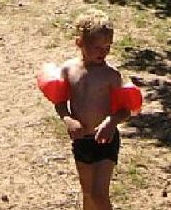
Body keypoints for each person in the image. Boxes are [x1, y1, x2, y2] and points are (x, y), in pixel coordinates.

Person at [51, 12, 133, 210]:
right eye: (97, 47)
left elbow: (126, 110)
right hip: (82, 141)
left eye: (107, 47)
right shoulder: (68, 70)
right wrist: (67, 119)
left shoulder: (111, 76)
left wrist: (111, 122)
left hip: (106, 140)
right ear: (79, 42)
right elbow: (59, 101)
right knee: (87, 193)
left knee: (98, 193)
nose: (103, 52)